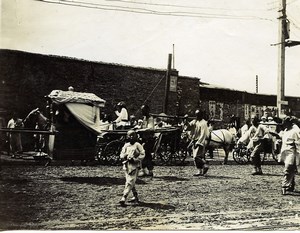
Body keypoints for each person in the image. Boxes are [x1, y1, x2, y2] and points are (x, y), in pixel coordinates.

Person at [119, 130, 145, 205]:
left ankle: (124, 197)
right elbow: (122, 154)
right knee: (130, 181)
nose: (131, 137)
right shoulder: (126, 145)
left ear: (136, 136)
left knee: (130, 181)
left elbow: (142, 154)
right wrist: (124, 156)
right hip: (127, 166)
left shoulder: (137, 145)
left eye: (133, 135)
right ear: (127, 137)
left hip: (135, 166)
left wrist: (135, 159)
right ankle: (135, 196)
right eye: (130, 135)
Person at [279, 116, 300, 195]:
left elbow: (298, 144)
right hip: (285, 151)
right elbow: (282, 137)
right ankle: (291, 185)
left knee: (288, 168)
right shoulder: (286, 130)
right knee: (291, 169)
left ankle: (284, 186)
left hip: (292, 152)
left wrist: (298, 155)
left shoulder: (295, 131)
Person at [187, 109, 210, 176]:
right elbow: (188, 127)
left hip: (200, 141)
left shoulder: (203, 123)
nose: (197, 116)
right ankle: (199, 171)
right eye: (196, 115)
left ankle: (205, 165)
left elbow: (203, 134)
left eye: (198, 115)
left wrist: (199, 142)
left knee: (197, 156)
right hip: (194, 140)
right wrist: (186, 121)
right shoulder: (196, 121)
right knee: (195, 157)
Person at [138, 104, 155, 177]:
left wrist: (141, 130)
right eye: (142, 110)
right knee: (145, 154)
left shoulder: (150, 118)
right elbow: (142, 126)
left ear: (147, 110)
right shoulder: (144, 118)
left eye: (143, 110)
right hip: (144, 139)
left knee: (145, 154)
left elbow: (150, 128)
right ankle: (147, 170)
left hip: (149, 139)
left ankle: (147, 170)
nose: (142, 112)